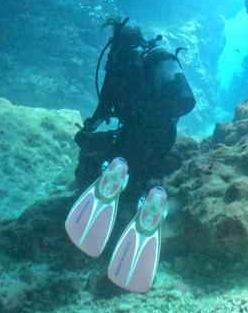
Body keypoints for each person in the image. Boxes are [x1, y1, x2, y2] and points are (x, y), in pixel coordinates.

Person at [73, 17, 195, 195]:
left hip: (137, 134)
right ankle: (150, 188)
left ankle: (101, 190)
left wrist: (86, 132)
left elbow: (104, 107)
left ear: (116, 42)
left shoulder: (120, 62)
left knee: (92, 157)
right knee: (144, 170)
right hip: (168, 134)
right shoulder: (153, 60)